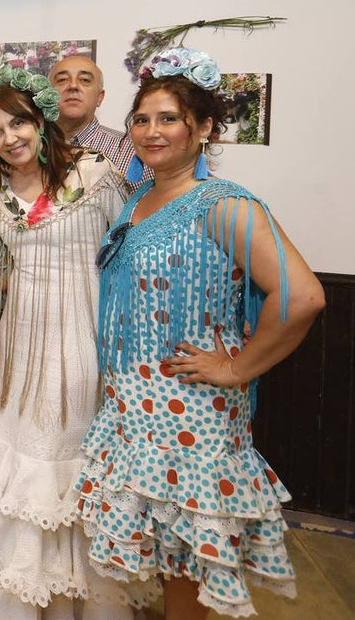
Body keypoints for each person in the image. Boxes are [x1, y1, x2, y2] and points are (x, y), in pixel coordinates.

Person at [76, 49, 325, 618]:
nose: (150, 131)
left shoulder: (223, 203)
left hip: (191, 410)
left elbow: (303, 296)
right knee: (168, 559)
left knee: (188, 561)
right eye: (141, 119)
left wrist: (236, 368)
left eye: (168, 119)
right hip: (137, 404)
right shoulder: (142, 195)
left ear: (204, 127)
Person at [0, 67, 149, 618]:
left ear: (40, 121)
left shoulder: (95, 174)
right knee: (21, 450)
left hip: (83, 336)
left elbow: (126, 259)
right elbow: (8, 270)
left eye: (18, 123)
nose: (9, 139)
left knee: (65, 454)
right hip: (22, 338)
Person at [49, 55, 140, 180]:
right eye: (62, 80)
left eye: (85, 80)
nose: (73, 86)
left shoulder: (131, 152)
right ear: (47, 94)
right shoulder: (30, 149)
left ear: (100, 97)